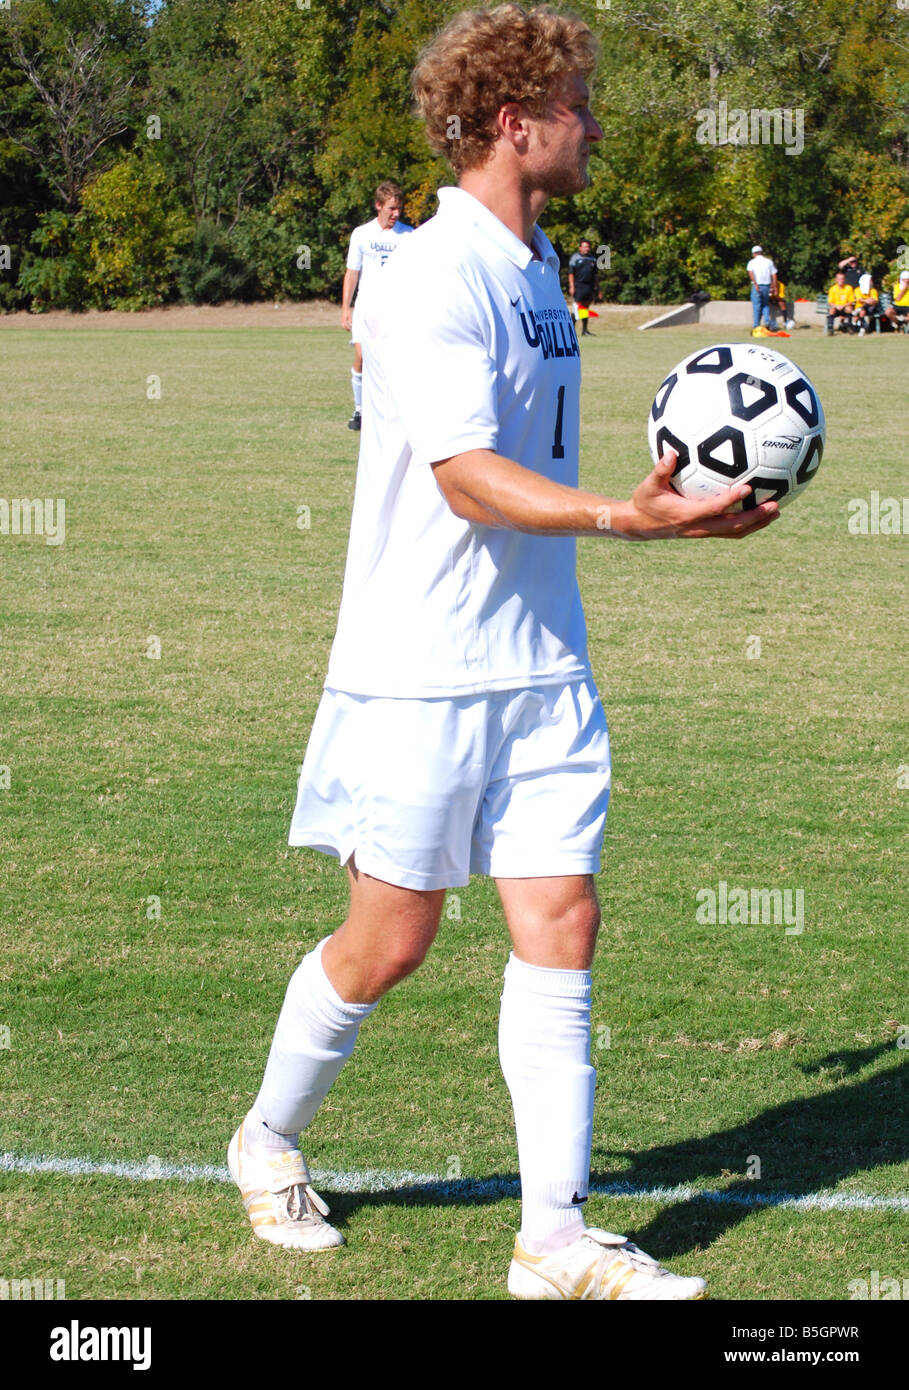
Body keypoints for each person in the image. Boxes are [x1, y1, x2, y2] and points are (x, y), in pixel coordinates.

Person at [228, 2, 778, 1302]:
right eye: (576, 105)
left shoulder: (540, 268)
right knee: (389, 939)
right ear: (516, 123)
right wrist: (624, 516)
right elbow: (469, 477)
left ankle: (553, 1239)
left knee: (561, 919)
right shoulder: (433, 269)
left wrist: (640, 517)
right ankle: (266, 1135)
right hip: (421, 668)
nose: (590, 125)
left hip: (542, 668)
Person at [340, 182, 412, 430]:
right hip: (366, 308)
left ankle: (392, 411)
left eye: (399, 209)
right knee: (361, 356)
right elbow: (352, 272)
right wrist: (345, 308)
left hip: (395, 310)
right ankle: (360, 410)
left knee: (392, 359)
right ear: (378, 205)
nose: (396, 214)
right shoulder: (362, 234)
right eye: (392, 208)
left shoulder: (408, 235)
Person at [568, 237, 599, 335]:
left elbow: (595, 275)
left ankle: (584, 330)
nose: (587, 249)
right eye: (585, 247)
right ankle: (571, 330)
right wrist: (572, 286)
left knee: (585, 308)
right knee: (577, 308)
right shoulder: (575, 258)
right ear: (580, 248)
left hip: (589, 286)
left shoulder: (592, 259)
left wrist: (598, 288)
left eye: (588, 247)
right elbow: (571, 273)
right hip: (579, 285)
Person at [747, 243, 777, 335]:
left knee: (756, 306)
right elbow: (774, 274)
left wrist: (755, 283)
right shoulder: (768, 262)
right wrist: (774, 286)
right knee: (765, 305)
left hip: (757, 285)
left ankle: (756, 325)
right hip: (766, 286)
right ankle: (767, 322)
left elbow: (750, 273)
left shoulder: (752, 262)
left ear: (754, 253)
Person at [827, 269, 855, 333]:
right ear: (836, 280)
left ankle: (849, 326)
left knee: (849, 309)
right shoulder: (832, 289)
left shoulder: (849, 288)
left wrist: (843, 305)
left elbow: (851, 301)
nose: (841, 281)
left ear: (844, 279)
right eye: (839, 279)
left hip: (845, 307)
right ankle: (830, 328)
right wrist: (836, 306)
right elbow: (830, 302)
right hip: (836, 308)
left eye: (842, 279)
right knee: (832, 310)